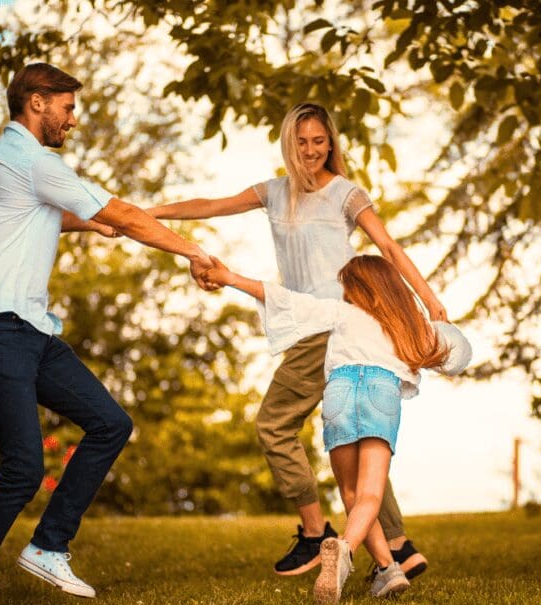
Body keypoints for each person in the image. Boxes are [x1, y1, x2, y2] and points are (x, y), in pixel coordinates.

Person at [0, 63, 215, 605]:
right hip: (0, 328)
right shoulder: (34, 160)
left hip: (27, 328)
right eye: (66, 106)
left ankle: (48, 545)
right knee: (22, 467)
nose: (73, 120)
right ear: (36, 102)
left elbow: (36, 218)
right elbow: (127, 215)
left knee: (110, 422)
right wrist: (194, 252)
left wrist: (93, 222)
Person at [147, 103, 446, 578]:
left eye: (319, 141)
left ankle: (314, 533)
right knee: (359, 433)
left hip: (329, 323)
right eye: (302, 141)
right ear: (290, 143)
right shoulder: (274, 192)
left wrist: (427, 298)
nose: (310, 151)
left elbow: (386, 246)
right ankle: (397, 546)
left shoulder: (345, 194)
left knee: (275, 424)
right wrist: (147, 215)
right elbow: (212, 206)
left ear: (331, 144)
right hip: (307, 323)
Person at [202, 254, 471, 604]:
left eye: (348, 286)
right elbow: (459, 356)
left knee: (350, 493)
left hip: (340, 390)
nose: (344, 292)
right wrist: (441, 324)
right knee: (371, 495)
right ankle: (344, 551)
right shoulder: (409, 325)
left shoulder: (340, 312)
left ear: (359, 289)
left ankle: (388, 571)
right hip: (381, 391)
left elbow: (287, 301)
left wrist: (230, 276)